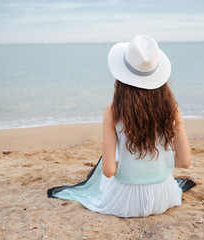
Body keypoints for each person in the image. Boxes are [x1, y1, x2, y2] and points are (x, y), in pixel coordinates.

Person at [47, 35, 194, 218]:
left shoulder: (112, 111)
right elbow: (185, 161)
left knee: (105, 162)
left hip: (125, 202)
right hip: (163, 198)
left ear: (121, 78)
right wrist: (154, 164)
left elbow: (109, 171)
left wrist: (131, 165)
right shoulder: (172, 108)